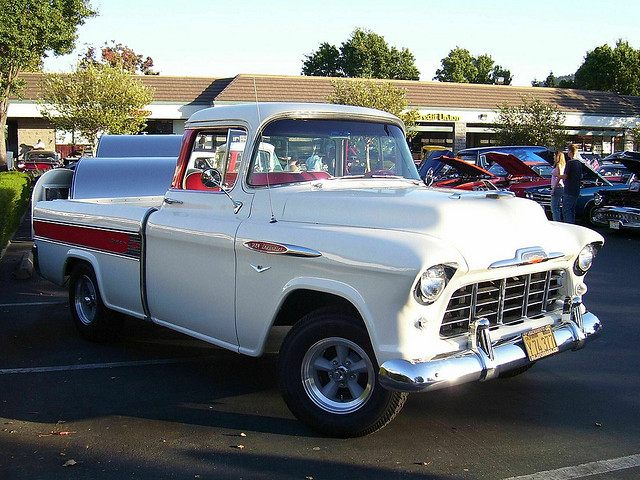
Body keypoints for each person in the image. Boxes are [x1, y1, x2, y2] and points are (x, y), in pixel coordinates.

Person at [562, 144, 582, 224]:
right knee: (572, 210)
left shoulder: (570, 163)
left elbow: (566, 176)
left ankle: (568, 225)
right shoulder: (579, 163)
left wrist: (557, 176)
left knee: (566, 210)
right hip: (576, 189)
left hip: (569, 189)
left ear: (570, 152)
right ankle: (573, 224)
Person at [550, 151, 566, 221]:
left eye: (554, 156)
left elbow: (559, 177)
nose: (553, 157)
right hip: (559, 187)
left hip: (558, 187)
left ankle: (557, 221)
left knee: (554, 207)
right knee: (557, 207)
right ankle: (558, 220)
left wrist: (554, 189)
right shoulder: (561, 165)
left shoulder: (559, 165)